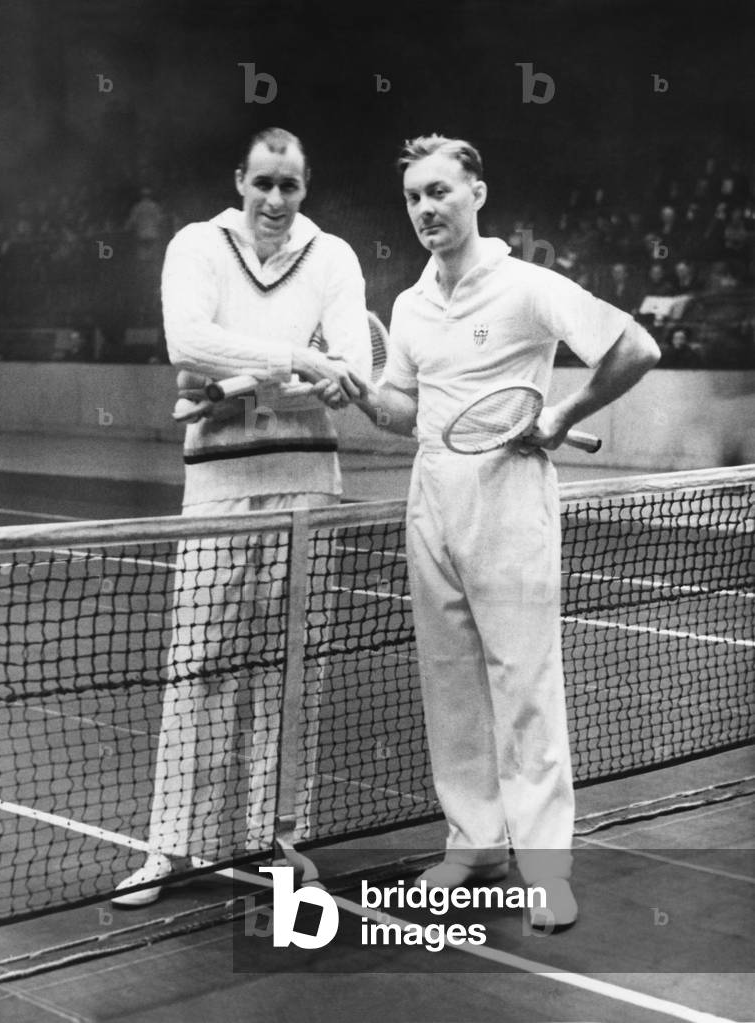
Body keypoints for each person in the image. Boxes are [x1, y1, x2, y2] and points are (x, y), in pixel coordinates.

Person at [337, 135, 660, 929]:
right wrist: (361, 397)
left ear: (477, 191)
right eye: (414, 197)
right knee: (449, 684)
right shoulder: (411, 306)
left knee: (524, 684)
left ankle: (545, 867)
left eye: (440, 192)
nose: (425, 209)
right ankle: (475, 841)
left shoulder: (527, 286)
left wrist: (561, 413)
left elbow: (637, 346)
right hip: (431, 494)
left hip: (512, 499)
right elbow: (405, 409)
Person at [113, 126, 370, 906]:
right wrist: (305, 359)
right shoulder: (195, 244)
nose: (275, 199)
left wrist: (250, 370)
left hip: (308, 488)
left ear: (306, 186)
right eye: (263, 182)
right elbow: (184, 342)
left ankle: (276, 842)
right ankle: (169, 849)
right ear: (239, 180)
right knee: (198, 667)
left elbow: (354, 366)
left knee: (295, 670)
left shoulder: (335, 257)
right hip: (218, 493)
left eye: (289, 186)